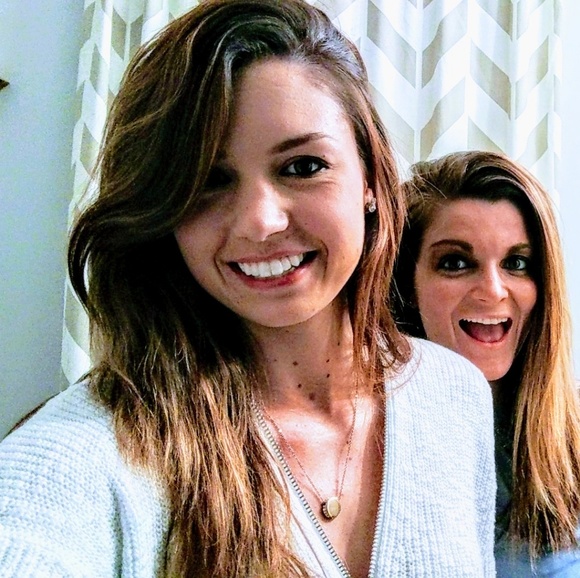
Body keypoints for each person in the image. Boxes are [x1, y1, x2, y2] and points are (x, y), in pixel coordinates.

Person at [0, 2, 496, 576]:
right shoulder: (85, 451)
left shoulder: (455, 394)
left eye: (302, 167)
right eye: (207, 181)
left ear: (370, 179)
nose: (259, 222)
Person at [392, 150, 580, 576]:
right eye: (456, 263)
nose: (494, 290)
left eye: (516, 263)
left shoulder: (571, 432)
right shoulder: (372, 444)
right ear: (407, 284)